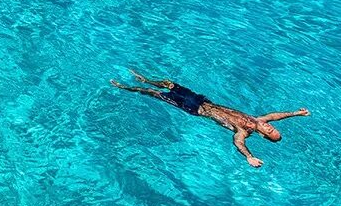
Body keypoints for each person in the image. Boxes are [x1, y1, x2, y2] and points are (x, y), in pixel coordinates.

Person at [111, 69, 309, 168]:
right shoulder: (258, 119)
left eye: (271, 133)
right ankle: (145, 79)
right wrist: (296, 113)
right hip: (202, 100)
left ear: (265, 137)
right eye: (274, 129)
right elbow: (276, 116)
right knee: (169, 84)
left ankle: (125, 87)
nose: (271, 129)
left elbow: (237, 142)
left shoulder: (244, 131)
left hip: (194, 108)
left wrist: (249, 157)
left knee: (153, 94)